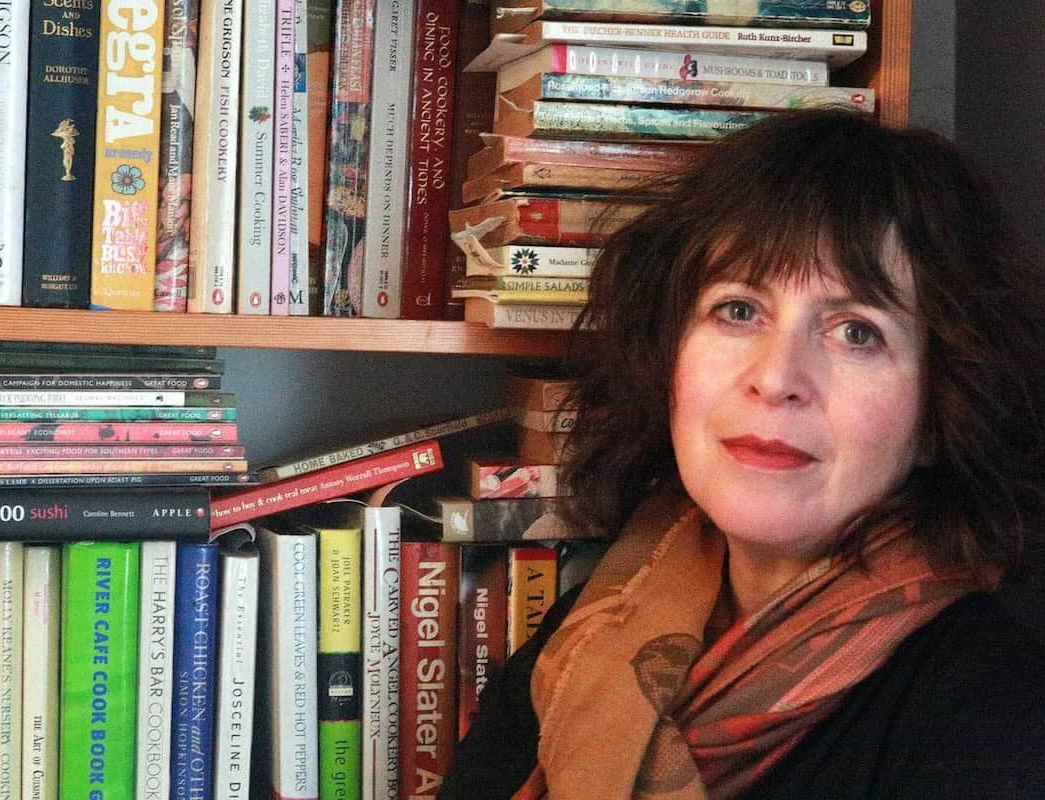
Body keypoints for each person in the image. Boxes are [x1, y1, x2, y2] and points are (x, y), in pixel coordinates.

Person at [440, 109, 1045, 800]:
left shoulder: (992, 712)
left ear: (941, 406)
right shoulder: (592, 627)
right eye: (738, 310)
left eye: (856, 332)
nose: (777, 376)